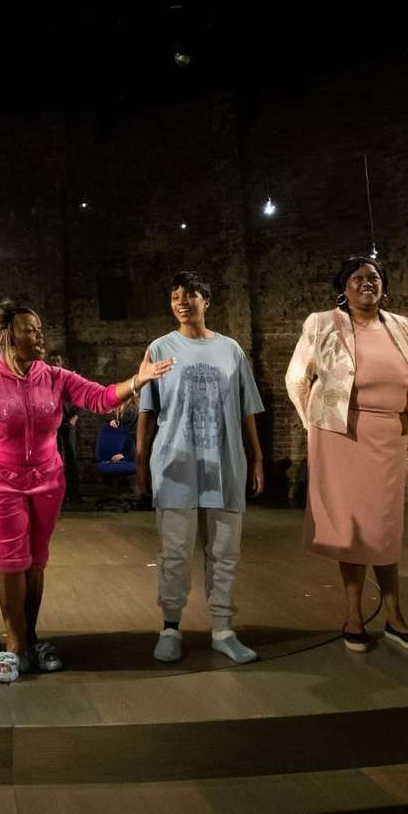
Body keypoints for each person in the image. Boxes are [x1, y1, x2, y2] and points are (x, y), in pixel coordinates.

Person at [0, 297, 173, 682]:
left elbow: (100, 397)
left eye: (41, 328)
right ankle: (13, 643)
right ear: (10, 336)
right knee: (11, 560)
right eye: (31, 329)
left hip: (47, 480)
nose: (40, 335)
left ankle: (30, 635)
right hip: (2, 481)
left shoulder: (55, 377)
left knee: (36, 561)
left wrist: (137, 381)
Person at [285, 256, 408, 654]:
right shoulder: (322, 322)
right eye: (359, 277)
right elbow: (297, 376)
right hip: (341, 435)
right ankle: (353, 614)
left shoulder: (402, 325)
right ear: (343, 287)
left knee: (385, 526)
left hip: (389, 433)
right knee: (353, 528)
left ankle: (395, 617)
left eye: (375, 277)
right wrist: (315, 424)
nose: (368, 282)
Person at [137, 272, 266, 664]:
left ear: (205, 301)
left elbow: (247, 408)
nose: (182, 301)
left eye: (190, 294)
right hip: (175, 463)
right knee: (175, 550)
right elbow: (146, 408)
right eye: (175, 295)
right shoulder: (159, 348)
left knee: (225, 550)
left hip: (225, 463)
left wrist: (257, 456)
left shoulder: (231, 350)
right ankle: (171, 626)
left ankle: (223, 629)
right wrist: (140, 460)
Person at [48, 352, 83, 505]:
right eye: (52, 361)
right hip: (52, 423)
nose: (55, 363)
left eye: (57, 360)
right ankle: (56, 493)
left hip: (68, 421)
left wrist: (75, 417)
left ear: (62, 362)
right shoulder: (45, 379)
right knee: (53, 459)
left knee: (71, 457)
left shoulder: (70, 377)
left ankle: (74, 493)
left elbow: (81, 397)